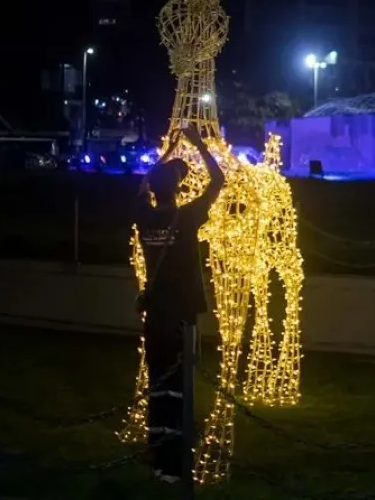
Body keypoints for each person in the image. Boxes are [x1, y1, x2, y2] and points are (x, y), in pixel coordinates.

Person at [135, 124, 225, 483]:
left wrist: (168, 149)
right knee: (180, 389)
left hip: (155, 314)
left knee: (159, 387)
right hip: (182, 316)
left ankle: (159, 458)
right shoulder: (186, 218)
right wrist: (198, 145)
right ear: (176, 188)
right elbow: (217, 182)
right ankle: (176, 463)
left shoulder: (144, 217)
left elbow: (143, 183)